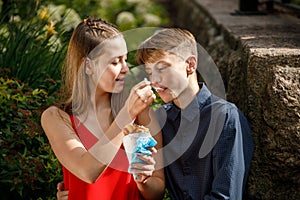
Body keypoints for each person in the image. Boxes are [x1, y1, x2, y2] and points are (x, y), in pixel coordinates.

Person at [57, 27, 254, 200]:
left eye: (162, 68)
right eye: (150, 72)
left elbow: (227, 195)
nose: (155, 80)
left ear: (191, 65)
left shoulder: (225, 117)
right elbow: (147, 184)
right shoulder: (160, 119)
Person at [41, 17, 164, 200]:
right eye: (115, 62)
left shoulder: (142, 113)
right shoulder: (57, 118)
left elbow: (157, 192)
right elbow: (87, 171)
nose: (125, 69)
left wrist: (144, 180)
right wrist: (126, 115)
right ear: (88, 65)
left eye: (124, 60)